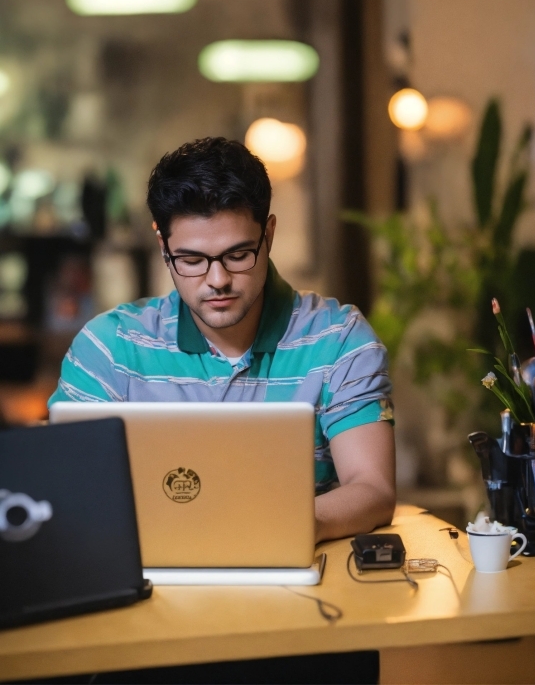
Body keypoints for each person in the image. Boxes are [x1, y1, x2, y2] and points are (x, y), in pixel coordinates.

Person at [49, 138, 396, 543]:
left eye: (237, 255)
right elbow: (70, 491)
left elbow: (372, 488)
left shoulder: (339, 339)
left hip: (296, 572)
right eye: (192, 260)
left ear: (268, 234)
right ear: (163, 246)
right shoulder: (110, 347)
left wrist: (274, 529)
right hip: (151, 577)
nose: (218, 281)